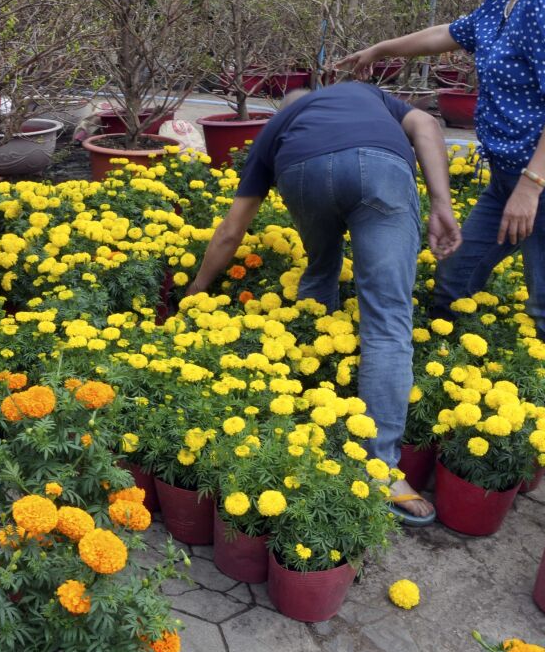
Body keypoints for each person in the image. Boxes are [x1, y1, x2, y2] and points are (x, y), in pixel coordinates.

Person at [335, 0, 545, 363]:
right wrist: (380, 49)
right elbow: (447, 34)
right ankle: (452, 384)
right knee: (454, 279)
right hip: (507, 178)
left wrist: (531, 187)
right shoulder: (502, 3)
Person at [182, 81, 460, 525]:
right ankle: (381, 470)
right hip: (381, 168)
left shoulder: (278, 128)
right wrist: (441, 204)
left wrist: (197, 289)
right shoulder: (366, 93)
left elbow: (232, 228)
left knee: (321, 270)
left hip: (302, 171)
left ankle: (306, 402)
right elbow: (426, 124)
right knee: (387, 320)